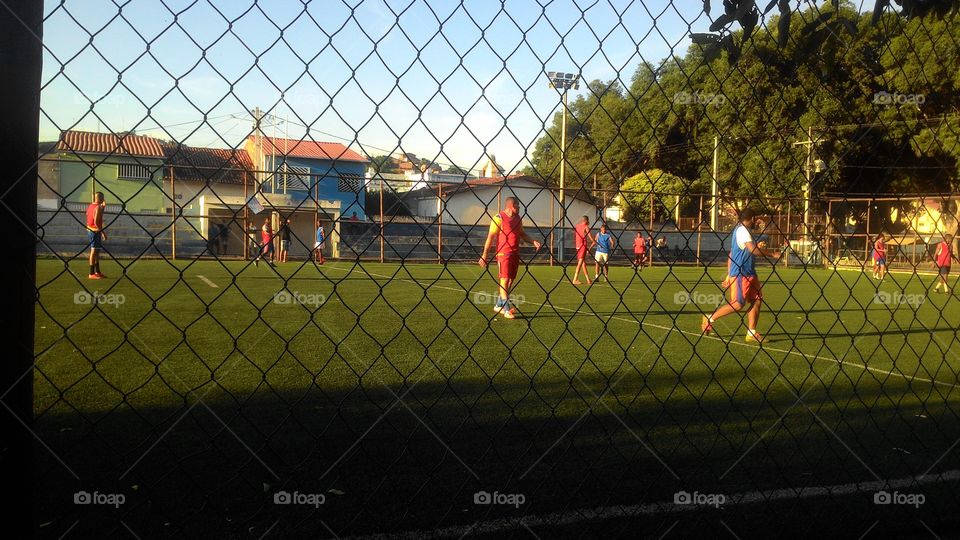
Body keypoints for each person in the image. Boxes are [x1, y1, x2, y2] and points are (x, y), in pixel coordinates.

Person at [702, 208, 783, 343]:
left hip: (750, 272)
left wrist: (728, 274)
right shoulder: (742, 231)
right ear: (751, 219)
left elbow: (732, 254)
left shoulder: (743, 231)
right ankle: (709, 318)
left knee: (756, 300)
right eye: (755, 220)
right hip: (740, 274)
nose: (755, 222)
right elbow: (752, 250)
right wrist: (772, 254)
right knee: (738, 304)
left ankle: (751, 333)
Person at [478, 197, 542, 319]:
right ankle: (507, 309)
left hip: (515, 253)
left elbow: (522, 234)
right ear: (512, 206)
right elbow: (490, 236)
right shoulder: (498, 218)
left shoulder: (518, 219)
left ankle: (498, 305)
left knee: (510, 281)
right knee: (504, 280)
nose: (520, 208)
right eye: (518, 206)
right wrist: (485, 254)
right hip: (503, 253)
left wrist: (533, 241)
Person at [85, 191, 108, 279]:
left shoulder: (91, 206)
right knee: (94, 251)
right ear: (99, 198)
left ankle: (97, 271)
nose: (103, 200)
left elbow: (91, 214)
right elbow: (96, 222)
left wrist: (103, 206)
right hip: (94, 231)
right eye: (102, 198)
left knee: (97, 252)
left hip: (91, 230)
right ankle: (91, 273)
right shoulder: (97, 207)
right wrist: (103, 233)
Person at [571, 216, 594, 285]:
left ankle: (588, 279)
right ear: (586, 220)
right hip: (583, 246)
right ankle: (575, 279)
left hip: (577, 246)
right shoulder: (586, 227)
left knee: (583, 263)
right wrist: (595, 242)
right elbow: (590, 238)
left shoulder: (577, 226)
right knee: (580, 263)